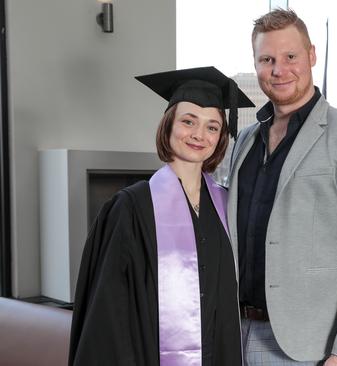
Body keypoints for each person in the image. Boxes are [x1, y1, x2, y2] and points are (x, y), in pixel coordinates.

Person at [228, 9, 337, 366]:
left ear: (311, 55)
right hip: (232, 330)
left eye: (290, 57)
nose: (279, 70)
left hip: (305, 346)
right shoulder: (245, 141)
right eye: (267, 59)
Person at [69, 66, 254, 366]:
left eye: (212, 127)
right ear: (168, 126)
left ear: (221, 137)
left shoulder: (226, 207)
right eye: (188, 121)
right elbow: (109, 314)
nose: (199, 135)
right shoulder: (131, 208)